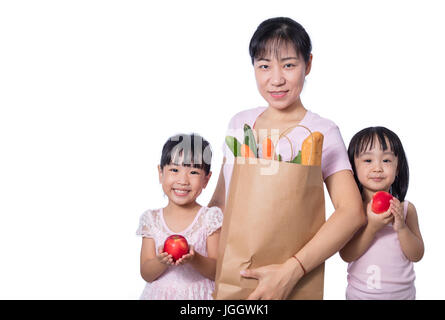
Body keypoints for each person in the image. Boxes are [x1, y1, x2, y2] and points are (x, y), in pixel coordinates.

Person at [208, 17, 366, 299]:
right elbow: (221, 202)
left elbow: (351, 212)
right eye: (264, 66)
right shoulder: (240, 124)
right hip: (234, 279)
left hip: (295, 282)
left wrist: (291, 271)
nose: (276, 78)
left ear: (309, 64)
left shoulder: (322, 132)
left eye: (289, 65)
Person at [340, 127, 424, 299]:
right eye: (368, 160)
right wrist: (372, 227)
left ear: (398, 167)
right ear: (353, 167)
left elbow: (417, 255)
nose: (377, 167)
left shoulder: (406, 209)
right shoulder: (353, 210)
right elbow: (346, 254)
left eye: (386, 160)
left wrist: (401, 228)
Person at [136, 133, 223, 300]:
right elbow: (146, 273)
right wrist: (161, 261)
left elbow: (217, 272)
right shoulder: (151, 219)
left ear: (206, 179)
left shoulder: (210, 218)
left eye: (193, 172)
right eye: (174, 170)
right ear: (161, 173)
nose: (183, 180)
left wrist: (194, 259)